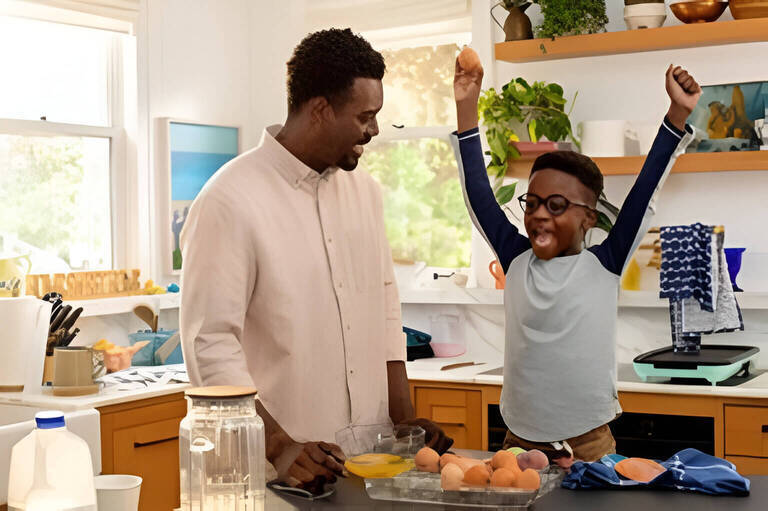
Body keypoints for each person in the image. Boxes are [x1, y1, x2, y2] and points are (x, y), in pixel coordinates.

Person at [180, 28, 452, 492]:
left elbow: (385, 313)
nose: (374, 130)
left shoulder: (365, 193)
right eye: (365, 116)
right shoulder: (229, 199)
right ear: (321, 110)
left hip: (367, 468)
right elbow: (210, 343)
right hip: (273, 477)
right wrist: (279, 445)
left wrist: (406, 424)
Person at [452, 57, 701, 463]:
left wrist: (677, 114)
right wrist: (466, 105)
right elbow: (479, 194)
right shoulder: (516, 260)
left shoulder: (604, 264)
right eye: (531, 203)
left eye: (556, 205)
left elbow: (645, 189)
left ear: (589, 217)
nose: (539, 215)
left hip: (589, 445)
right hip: (518, 442)